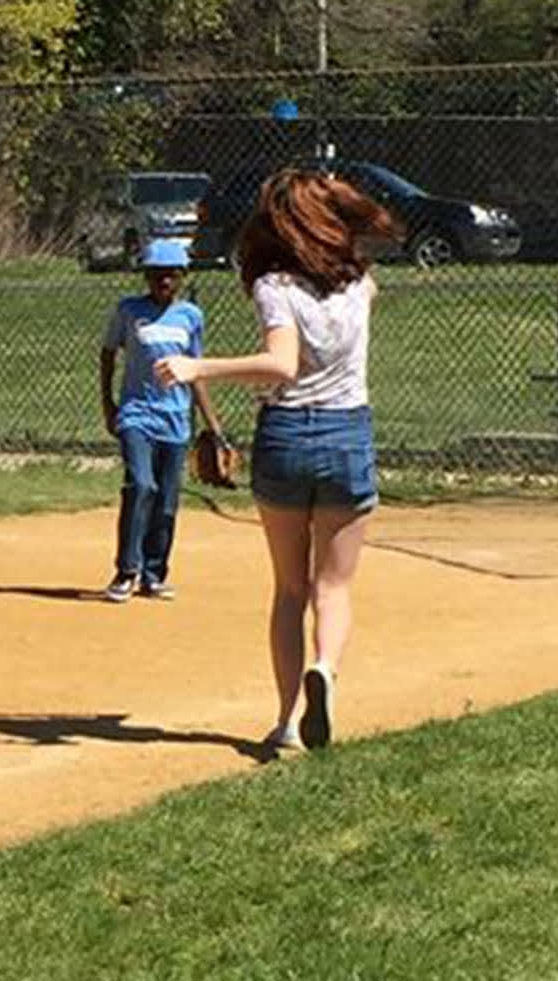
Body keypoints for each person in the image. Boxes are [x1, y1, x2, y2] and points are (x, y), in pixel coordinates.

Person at [155, 168, 397, 753]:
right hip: (347, 435)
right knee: (333, 588)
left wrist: (198, 368)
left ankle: (288, 720)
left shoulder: (274, 286)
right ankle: (326, 671)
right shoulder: (361, 283)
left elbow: (281, 365)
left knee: (290, 590)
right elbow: (354, 253)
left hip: (287, 435)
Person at [97, 237, 229, 602]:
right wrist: (108, 404)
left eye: (170, 275)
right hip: (136, 414)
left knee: (167, 499)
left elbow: (195, 371)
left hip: (175, 419)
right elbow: (108, 354)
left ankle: (154, 574)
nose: (163, 282)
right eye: (156, 275)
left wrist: (213, 427)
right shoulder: (128, 311)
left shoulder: (190, 316)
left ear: (182, 277)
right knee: (141, 485)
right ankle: (126, 570)